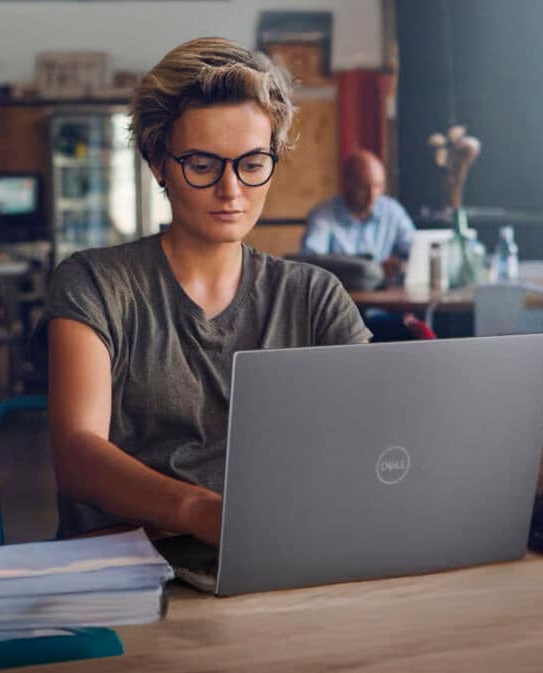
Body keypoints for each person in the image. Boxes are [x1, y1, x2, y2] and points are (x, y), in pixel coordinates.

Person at [42, 38, 372, 547]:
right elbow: (77, 456)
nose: (232, 190)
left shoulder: (314, 297)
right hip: (128, 568)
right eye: (202, 164)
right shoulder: (95, 285)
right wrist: (201, 513)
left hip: (273, 558)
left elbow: (376, 435)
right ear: (158, 164)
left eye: (253, 163)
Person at [301, 150, 415, 281]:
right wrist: (375, 270)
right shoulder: (323, 215)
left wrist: (401, 266)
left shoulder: (392, 212)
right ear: (346, 184)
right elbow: (311, 262)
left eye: (377, 186)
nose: (372, 195)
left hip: (383, 297)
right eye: (363, 187)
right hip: (340, 296)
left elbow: (416, 249)